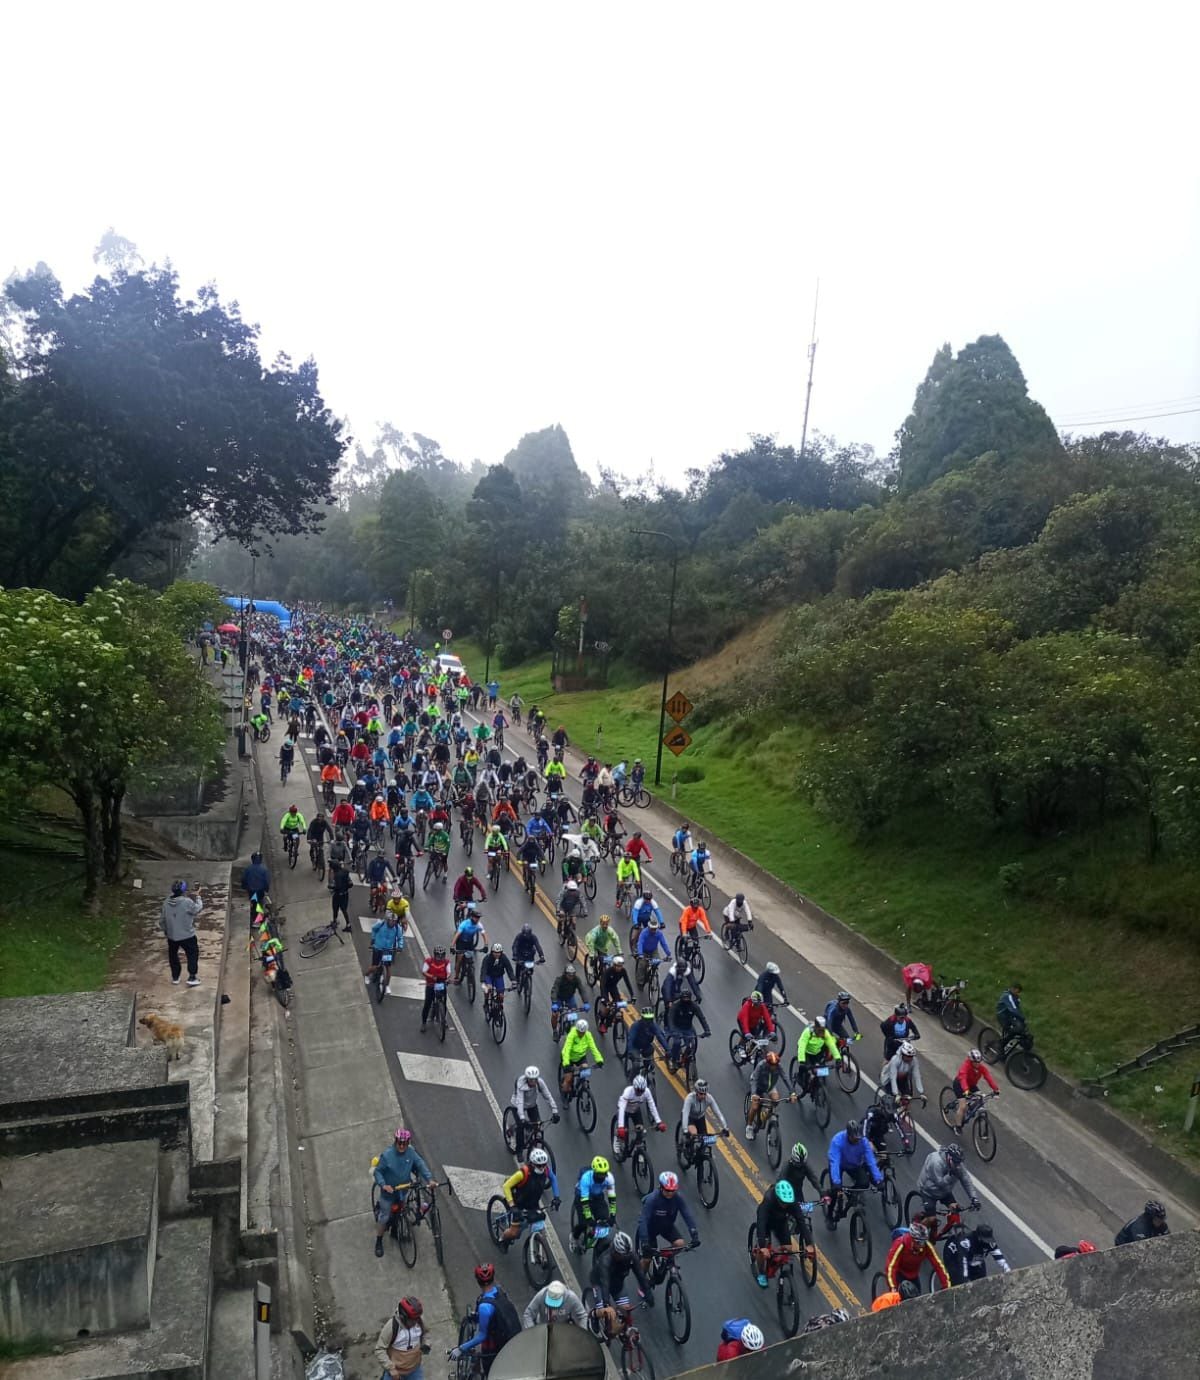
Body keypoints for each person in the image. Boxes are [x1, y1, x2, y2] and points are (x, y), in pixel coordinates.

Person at [449, 1264, 521, 1374]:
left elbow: (482, 1336)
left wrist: (461, 1349)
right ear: (493, 1278)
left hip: (495, 1345)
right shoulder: (499, 1291)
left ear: (478, 1281)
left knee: (490, 1370)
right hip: (511, 1338)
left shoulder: (484, 1307)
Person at [372, 1128, 432, 1257]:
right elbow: (378, 1172)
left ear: (408, 1142)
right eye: (399, 1142)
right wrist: (384, 1185)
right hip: (388, 1193)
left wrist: (429, 1179)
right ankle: (379, 1241)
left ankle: (395, 1232)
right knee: (384, 1217)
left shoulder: (411, 1152)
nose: (402, 1146)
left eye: (404, 1143)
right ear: (395, 1141)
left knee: (401, 1211)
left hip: (403, 1190)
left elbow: (420, 1164)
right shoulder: (387, 1155)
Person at [589, 1230, 653, 1338]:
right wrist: (607, 1305)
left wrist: (648, 1292)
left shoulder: (630, 1256)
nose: (625, 1258)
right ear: (615, 1251)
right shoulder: (605, 1261)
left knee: (626, 1310)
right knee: (606, 1312)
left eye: (627, 1255)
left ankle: (624, 1333)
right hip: (600, 1283)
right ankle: (594, 1315)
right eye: (622, 1255)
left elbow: (640, 1275)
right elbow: (605, 1284)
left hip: (617, 1284)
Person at [637, 1171, 700, 1273]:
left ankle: (662, 1258)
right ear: (661, 1187)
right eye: (667, 1190)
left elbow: (686, 1214)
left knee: (680, 1244)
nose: (670, 1193)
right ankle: (641, 1280)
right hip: (650, 1229)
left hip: (667, 1226)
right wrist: (644, 1241)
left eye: (673, 1190)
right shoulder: (653, 1199)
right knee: (647, 1260)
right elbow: (643, 1220)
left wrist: (694, 1233)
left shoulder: (678, 1198)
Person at [826, 1120, 884, 1227]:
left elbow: (870, 1160)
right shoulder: (837, 1141)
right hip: (839, 1165)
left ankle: (850, 1193)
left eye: (859, 1138)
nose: (857, 1140)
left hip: (854, 1165)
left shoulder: (863, 1141)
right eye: (855, 1138)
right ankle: (829, 1216)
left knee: (864, 1183)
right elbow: (835, 1162)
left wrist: (878, 1179)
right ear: (848, 1135)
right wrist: (836, 1182)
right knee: (834, 1193)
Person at [499, 1149, 560, 1247]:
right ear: (532, 1164)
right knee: (514, 1234)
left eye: (544, 1164)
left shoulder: (546, 1170)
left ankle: (539, 1249)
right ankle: (502, 1239)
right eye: (539, 1165)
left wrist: (556, 1197)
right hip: (518, 1204)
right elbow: (506, 1186)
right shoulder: (523, 1173)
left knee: (540, 1228)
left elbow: (553, 1178)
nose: (542, 1168)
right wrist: (512, 1206)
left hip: (533, 1203)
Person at [884, 1220, 950, 1296]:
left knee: (917, 1297)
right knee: (898, 1298)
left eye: (924, 1242)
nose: (922, 1245)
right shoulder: (900, 1244)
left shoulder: (926, 1246)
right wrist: (893, 1287)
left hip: (913, 1275)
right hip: (899, 1274)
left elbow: (938, 1264)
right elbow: (891, 1266)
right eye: (920, 1242)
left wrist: (946, 1286)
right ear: (913, 1240)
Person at [753, 1179, 798, 1287]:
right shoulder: (768, 1201)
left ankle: (775, 1259)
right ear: (777, 1198)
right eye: (783, 1203)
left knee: (788, 1248)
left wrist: (809, 1244)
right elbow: (761, 1223)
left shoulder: (790, 1201)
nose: (786, 1205)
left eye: (787, 1203)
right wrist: (762, 1246)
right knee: (763, 1250)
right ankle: (762, 1273)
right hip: (767, 1222)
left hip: (780, 1221)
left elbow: (800, 1219)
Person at [373, 1294, 428, 1380]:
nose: (415, 1323)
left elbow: (426, 1333)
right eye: (412, 1320)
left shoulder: (419, 1320)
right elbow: (379, 1349)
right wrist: (390, 1368)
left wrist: (426, 1343)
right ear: (403, 1317)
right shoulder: (391, 1327)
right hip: (395, 1371)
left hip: (415, 1369)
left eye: (417, 1319)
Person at [917, 1143, 980, 1216]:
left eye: (959, 1162)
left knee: (955, 1212)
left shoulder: (958, 1164)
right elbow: (940, 1183)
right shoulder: (936, 1162)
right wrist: (951, 1175)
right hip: (928, 1191)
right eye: (956, 1162)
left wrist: (974, 1198)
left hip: (944, 1192)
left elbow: (966, 1180)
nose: (958, 1165)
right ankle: (916, 1222)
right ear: (949, 1157)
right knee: (931, 1219)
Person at [160, 880, 203, 987]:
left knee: (173, 955)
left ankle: (175, 977)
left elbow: (162, 920)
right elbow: (197, 909)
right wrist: (198, 897)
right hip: (187, 935)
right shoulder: (186, 902)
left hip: (172, 936)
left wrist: (167, 931)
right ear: (184, 891)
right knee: (192, 954)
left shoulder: (166, 902)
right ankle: (192, 977)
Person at [510, 1066, 560, 1156]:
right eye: (531, 1080)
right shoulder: (520, 1083)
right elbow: (520, 1101)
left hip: (532, 1105)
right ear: (527, 1079)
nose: (533, 1082)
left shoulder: (540, 1083)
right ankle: (519, 1150)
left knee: (538, 1125)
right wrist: (522, 1117)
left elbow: (548, 1096)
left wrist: (555, 1110)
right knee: (520, 1127)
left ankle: (534, 1142)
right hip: (517, 1105)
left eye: (535, 1079)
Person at [745, 1050, 795, 1139]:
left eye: (775, 1065)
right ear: (768, 1063)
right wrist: (754, 1094)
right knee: (755, 1107)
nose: (774, 1067)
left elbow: (785, 1078)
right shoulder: (761, 1065)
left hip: (770, 1087)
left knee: (776, 1100)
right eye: (772, 1065)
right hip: (758, 1086)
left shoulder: (778, 1066)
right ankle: (749, 1127)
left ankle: (764, 1114)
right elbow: (754, 1080)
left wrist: (792, 1093)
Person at [943, 1220, 1011, 1284]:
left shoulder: (990, 1242)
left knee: (981, 1281)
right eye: (985, 1240)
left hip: (973, 1257)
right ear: (979, 1237)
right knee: (959, 1280)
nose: (987, 1242)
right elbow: (963, 1262)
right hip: (954, 1257)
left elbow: (998, 1255)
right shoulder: (965, 1242)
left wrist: (1007, 1269)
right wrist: (964, 1281)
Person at [614, 1074, 665, 1157]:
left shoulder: (647, 1092)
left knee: (641, 1132)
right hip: (625, 1111)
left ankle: (639, 1150)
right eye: (638, 1090)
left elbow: (652, 1106)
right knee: (624, 1134)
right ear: (634, 1087)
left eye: (642, 1091)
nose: (640, 1093)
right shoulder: (628, 1092)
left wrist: (659, 1122)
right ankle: (617, 1139)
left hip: (635, 1111)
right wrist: (620, 1127)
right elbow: (622, 1108)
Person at [573, 1156, 618, 1247]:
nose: (602, 1177)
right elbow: (585, 1202)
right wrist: (589, 1218)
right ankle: (574, 1237)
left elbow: (612, 1199)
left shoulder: (609, 1178)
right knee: (583, 1223)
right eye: (599, 1175)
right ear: (594, 1172)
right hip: (582, 1197)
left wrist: (613, 1215)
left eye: (604, 1174)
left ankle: (593, 1236)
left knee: (604, 1219)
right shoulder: (586, 1178)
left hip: (597, 1196)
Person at [679, 1079, 730, 1159]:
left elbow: (718, 1113)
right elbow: (685, 1114)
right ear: (696, 1092)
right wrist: (685, 1130)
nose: (703, 1096)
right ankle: (687, 1146)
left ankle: (700, 1156)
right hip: (689, 1117)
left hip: (700, 1118)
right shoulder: (690, 1098)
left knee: (705, 1139)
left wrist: (725, 1127)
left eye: (704, 1094)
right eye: (701, 1094)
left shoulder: (709, 1098)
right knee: (694, 1134)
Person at [951, 1047, 1000, 1129]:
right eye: (975, 1062)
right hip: (960, 1085)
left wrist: (996, 1089)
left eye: (979, 1062)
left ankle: (970, 1110)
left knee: (980, 1097)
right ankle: (957, 1126)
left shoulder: (981, 1068)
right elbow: (963, 1078)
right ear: (971, 1061)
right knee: (962, 1107)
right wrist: (966, 1090)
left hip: (971, 1085)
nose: (977, 1064)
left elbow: (988, 1077)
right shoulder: (965, 1066)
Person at [795, 1016, 841, 1095]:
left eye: (822, 1030)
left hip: (816, 1053)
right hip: (806, 1052)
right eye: (819, 1030)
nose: (821, 1033)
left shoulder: (825, 1033)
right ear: (815, 1027)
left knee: (821, 1070)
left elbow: (831, 1045)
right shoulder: (808, 1032)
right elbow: (802, 1046)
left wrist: (838, 1058)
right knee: (806, 1067)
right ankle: (799, 1076)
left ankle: (815, 1084)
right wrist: (801, 1060)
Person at [665, 987, 710, 1069]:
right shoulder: (676, 1006)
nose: (686, 1000)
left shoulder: (694, 1006)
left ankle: (685, 1058)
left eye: (687, 998)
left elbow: (702, 1018)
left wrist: (707, 1030)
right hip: (677, 1027)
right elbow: (670, 1018)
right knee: (677, 1042)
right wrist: (673, 1031)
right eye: (684, 998)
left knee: (691, 1045)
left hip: (688, 1028)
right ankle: (673, 1059)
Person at [560, 1017, 604, 1096]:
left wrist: (599, 1060)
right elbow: (567, 1049)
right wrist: (566, 1063)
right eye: (579, 1032)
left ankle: (580, 1084)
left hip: (581, 1057)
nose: (581, 1034)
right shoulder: (572, 1034)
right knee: (568, 1080)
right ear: (577, 1030)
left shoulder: (588, 1035)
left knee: (585, 1069)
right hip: (569, 1058)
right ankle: (565, 1092)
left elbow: (593, 1048)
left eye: (583, 1032)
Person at [522, 1279, 587, 1329]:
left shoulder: (571, 1298)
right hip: (543, 1327)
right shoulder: (541, 1295)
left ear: (563, 1296)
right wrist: (532, 1332)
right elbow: (528, 1314)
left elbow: (583, 1316)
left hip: (563, 1328)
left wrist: (581, 1334)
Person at [367, 912, 406, 987]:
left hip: (388, 950)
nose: (393, 923)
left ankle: (387, 985)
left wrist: (400, 947)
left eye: (394, 921)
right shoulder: (381, 924)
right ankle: (367, 975)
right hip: (378, 948)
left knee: (388, 968)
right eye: (391, 920)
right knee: (374, 966)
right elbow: (374, 929)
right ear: (388, 920)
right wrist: (373, 938)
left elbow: (400, 937)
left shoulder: (397, 928)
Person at [549, 964, 588, 1036]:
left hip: (569, 997)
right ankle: (554, 1030)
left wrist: (586, 1002)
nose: (571, 977)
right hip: (559, 998)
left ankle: (570, 1024)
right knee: (555, 1014)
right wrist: (554, 1003)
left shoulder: (577, 980)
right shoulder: (559, 980)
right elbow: (554, 990)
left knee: (573, 1012)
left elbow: (582, 990)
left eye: (573, 975)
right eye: (569, 975)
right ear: (565, 974)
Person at [420, 946, 451, 1033]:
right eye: (438, 955)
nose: (440, 958)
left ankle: (443, 1020)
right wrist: (431, 976)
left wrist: (447, 978)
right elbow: (424, 972)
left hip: (441, 983)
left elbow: (449, 972)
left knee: (443, 1002)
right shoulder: (428, 961)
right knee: (427, 1003)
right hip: (431, 984)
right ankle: (424, 1022)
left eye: (442, 955)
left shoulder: (446, 962)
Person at [453, 905, 487, 984]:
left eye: (478, 918)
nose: (477, 919)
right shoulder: (464, 924)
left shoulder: (479, 924)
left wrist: (486, 945)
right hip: (461, 942)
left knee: (470, 958)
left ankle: (469, 969)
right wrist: (452, 946)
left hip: (469, 942)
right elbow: (457, 935)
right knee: (459, 959)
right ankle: (456, 976)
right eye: (476, 917)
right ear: (472, 917)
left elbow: (484, 934)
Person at [328, 860, 353, 931]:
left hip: (338, 895)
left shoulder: (337, 875)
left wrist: (331, 887)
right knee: (344, 910)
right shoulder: (345, 871)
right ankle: (348, 924)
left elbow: (338, 886)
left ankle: (335, 921)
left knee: (335, 908)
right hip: (345, 894)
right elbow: (350, 883)